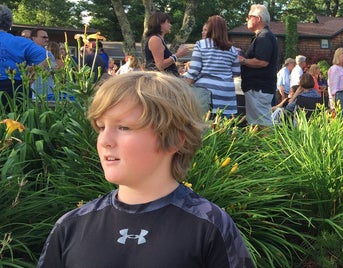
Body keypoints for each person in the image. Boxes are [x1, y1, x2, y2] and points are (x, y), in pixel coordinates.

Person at [36, 71, 254, 268]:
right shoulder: (72, 226)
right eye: (101, 127)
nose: (105, 141)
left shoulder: (208, 226)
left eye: (124, 127)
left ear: (174, 139)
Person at [184, 15, 241, 118]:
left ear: (210, 29)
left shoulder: (201, 44)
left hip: (206, 93)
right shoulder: (232, 49)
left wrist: (183, 87)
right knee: (222, 131)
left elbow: (194, 70)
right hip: (226, 95)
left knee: (205, 129)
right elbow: (236, 72)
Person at [238, 4, 279, 128]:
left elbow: (262, 62)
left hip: (258, 88)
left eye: (250, 16)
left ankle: (270, 147)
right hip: (259, 88)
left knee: (262, 124)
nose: (247, 19)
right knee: (256, 124)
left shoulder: (264, 36)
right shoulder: (263, 36)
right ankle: (259, 147)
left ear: (259, 18)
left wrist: (243, 60)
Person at [0, 5, 47, 111]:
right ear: (9, 24)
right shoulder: (21, 42)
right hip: (15, 91)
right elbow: (46, 56)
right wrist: (33, 74)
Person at [144, 12, 189, 76]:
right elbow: (160, 66)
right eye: (168, 22)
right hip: (159, 82)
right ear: (160, 24)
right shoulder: (155, 39)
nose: (170, 25)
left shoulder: (159, 39)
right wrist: (178, 54)